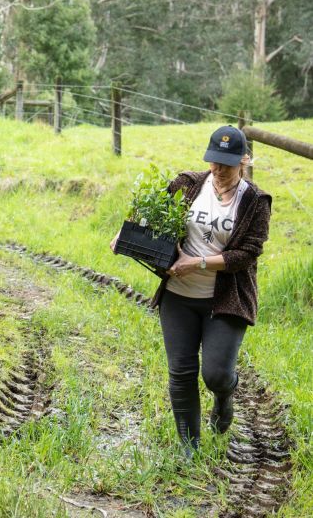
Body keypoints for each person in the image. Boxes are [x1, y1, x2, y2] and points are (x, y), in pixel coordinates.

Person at [111, 125, 272, 457]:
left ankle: (225, 396)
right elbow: (146, 212)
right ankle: (190, 446)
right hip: (179, 296)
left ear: (244, 160)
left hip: (224, 299)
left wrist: (197, 263)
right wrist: (124, 234)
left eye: (227, 164)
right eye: (214, 162)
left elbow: (247, 255)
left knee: (216, 374)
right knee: (181, 372)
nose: (219, 170)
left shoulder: (255, 201)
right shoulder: (188, 184)